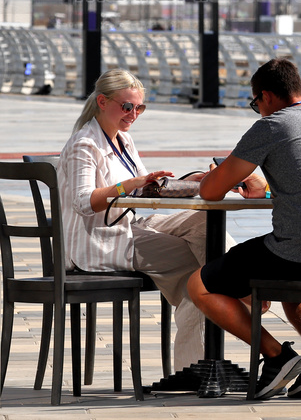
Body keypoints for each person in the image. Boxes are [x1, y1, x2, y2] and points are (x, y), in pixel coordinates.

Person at [190, 57, 301, 400]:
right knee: (291, 278)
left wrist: (213, 175)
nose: (258, 110)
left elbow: (210, 192)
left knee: (200, 286)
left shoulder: (271, 126)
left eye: (255, 104)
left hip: (297, 252)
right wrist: (266, 188)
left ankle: (278, 357)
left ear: (266, 97)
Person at [59, 69, 211, 372]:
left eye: (139, 107)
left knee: (204, 225)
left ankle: (238, 281)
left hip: (128, 225)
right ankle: (193, 368)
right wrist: (126, 186)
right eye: (127, 106)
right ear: (102, 101)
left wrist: (192, 180)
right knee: (204, 272)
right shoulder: (84, 145)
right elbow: (83, 202)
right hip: (98, 241)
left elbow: (142, 187)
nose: (133, 114)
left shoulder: (123, 140)